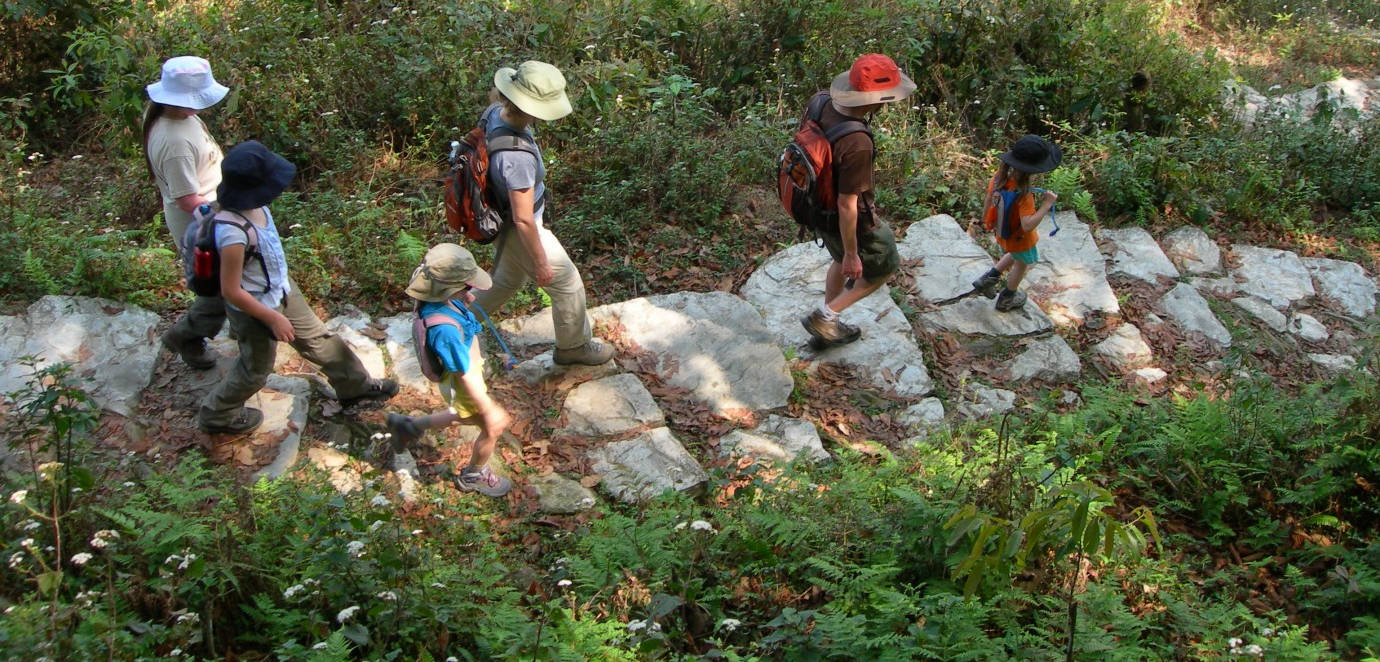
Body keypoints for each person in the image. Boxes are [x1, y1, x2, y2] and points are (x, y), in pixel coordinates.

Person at [199, 141, 397, 433]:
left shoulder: (257, 207)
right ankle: (216, 414)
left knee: (319, 338)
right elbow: (231, 290)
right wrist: (273, 318)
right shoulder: (231, 233)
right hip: (255, 309)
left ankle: (356, 385)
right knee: (255, 371)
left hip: (281, 288)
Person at [470, 60, 614, 366]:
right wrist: (541, 262)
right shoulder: (516, 158)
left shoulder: (496, 111)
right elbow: (523, 219)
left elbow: (494, 95)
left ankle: (453, 321)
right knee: (566, 282)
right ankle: (573, 347)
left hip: (501, 220)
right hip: (520, 227)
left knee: (506, 281)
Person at [799, 54, 914, 347]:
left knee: (838, 258)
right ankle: (826, 315)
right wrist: (853, 253)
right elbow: (847, 204)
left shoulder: (820, 101)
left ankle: (827, 326)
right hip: (846, 218)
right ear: (875, 100)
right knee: (884, 265)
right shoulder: (857, 143)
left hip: (814, 207)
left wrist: (845, 254)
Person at [385, 243, 514, 498]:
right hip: (465, 381)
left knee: (463, 414)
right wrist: (489, 407)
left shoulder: (434, 293)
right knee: (490, 427)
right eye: (467, 286)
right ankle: (474, 475)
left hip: (464, 377)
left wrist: (459, 297)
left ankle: (409, 426)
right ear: (449, 288)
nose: (471, 290)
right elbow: (464, 374)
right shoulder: (445, 331)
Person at [143, 56, 230, 369]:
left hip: (212, 210)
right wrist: (228, 220)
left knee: (224, 283)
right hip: (202, 220)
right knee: (217, 288)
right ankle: (186, 337)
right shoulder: (174, 140)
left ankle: (193, 334)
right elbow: (187, 199)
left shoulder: (177, 118)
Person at [969, 135, 1061, 312]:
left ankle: (988, 279)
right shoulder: (1024, 194)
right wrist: (1047, 204)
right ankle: (1008, 297)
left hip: (1002, 231)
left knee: (1014, 253)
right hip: (1021, 237)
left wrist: (986, 221)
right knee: (1021, 264)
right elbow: (1027, 225)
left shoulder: (999, 177)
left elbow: (989, 199)